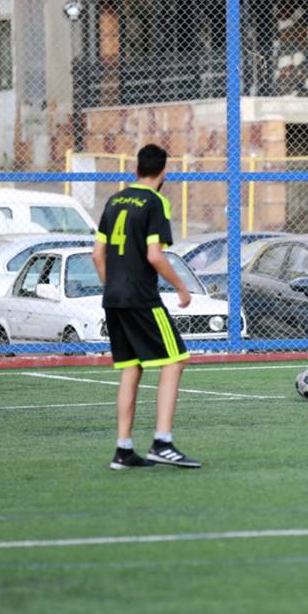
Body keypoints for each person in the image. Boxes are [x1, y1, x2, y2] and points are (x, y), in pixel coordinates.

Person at [92, 143, 201, 470]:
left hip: (113, 299)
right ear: (164, 172)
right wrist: (181, 286)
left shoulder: (114, 200)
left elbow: (97, 254)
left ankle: (123, 449)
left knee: (132, 367)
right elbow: (155, 255)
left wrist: (113, 286)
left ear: (136, 169)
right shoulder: (155, 201)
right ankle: (162, 443)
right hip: (141, 297)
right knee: (176, 360)